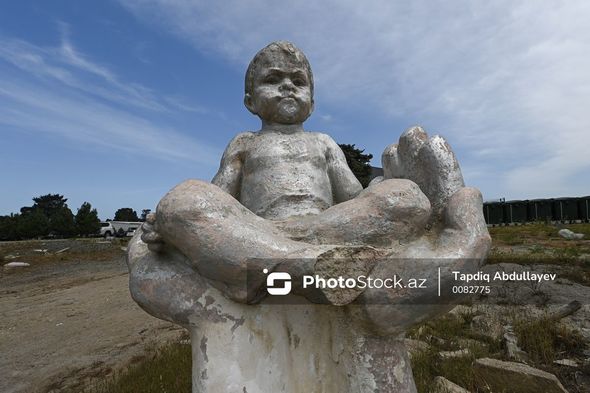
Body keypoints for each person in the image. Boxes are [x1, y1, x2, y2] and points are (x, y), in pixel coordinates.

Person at [139, 41, 487, 307]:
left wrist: (387, 187)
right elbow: (219, 198)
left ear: (313, 102)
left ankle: (270, 264)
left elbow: (354, 196)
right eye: (273, 80)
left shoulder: (323, 142)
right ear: (249, 101)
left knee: (407, 197)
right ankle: (307, 266)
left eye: (298, 81)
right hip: (258, 227)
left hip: (320, 229)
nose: (287, 87)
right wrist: (173, 227)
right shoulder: (244, 143)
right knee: (182, 200)